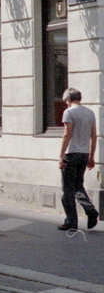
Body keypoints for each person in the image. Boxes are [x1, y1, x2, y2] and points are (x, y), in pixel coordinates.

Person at [58, 87, 98, 231]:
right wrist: (91, 156)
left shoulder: (68, 112)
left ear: (68, 99)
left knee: (67, 190)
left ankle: (71, 222)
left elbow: (67, 134)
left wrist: (61, 155)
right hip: (84, 154)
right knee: (78, 186)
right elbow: (94, 136)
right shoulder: (90, 113)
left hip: (71, 154)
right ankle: (90, 209)